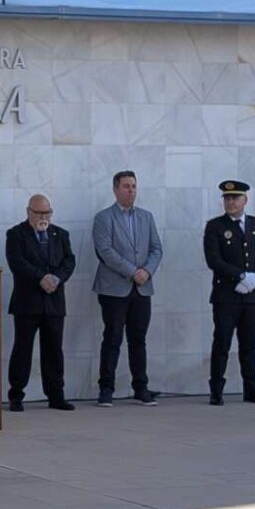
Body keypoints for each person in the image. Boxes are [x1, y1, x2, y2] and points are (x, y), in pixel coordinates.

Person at [92, 170, 163, 408]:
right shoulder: (104, 218)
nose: (131, 190)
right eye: (126, 186)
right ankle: (106, 389)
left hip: (142, 288)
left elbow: (156, 248)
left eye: (133, 186)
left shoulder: (146, 217)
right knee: (112, 338)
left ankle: (141, 388)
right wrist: (133, 271)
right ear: (115, 189)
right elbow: (105, 251)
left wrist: (147, 271)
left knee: (138, 339)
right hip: (114, 288)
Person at [203, 180, 255, 406]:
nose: (230, 202)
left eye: (235, 198)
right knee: (222, 344)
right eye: (227, 198)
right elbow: (213, 260)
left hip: (252, 296)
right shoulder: (215, 226)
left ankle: (251, 391)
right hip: (226, 296)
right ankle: (216, 391)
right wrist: (241, 276)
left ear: (245, 200)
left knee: (249, 345)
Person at [5, 194, 76, 412]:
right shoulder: (16, 234)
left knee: (54, 350)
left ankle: (56, 395)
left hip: (54, 302)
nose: (44, 217)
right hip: (27, 303)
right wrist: (40, 278)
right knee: (22, 349)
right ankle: (16, 395)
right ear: (29, 212)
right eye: (39, 213)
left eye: (47, 213)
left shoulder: (60, 234)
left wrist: (56, 279)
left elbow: (69, 261)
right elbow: (17, 263)